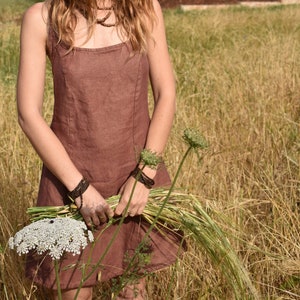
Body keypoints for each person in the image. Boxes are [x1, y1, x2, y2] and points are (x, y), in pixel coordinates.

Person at [17, 0, 181, 299]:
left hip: (133, 181)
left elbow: (166, 93)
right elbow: (28, 114)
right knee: (74, 291)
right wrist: (80, 189)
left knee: (133, 292)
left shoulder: (144, 8)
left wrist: (144, 176)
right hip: (70, 186)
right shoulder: (42, 18)